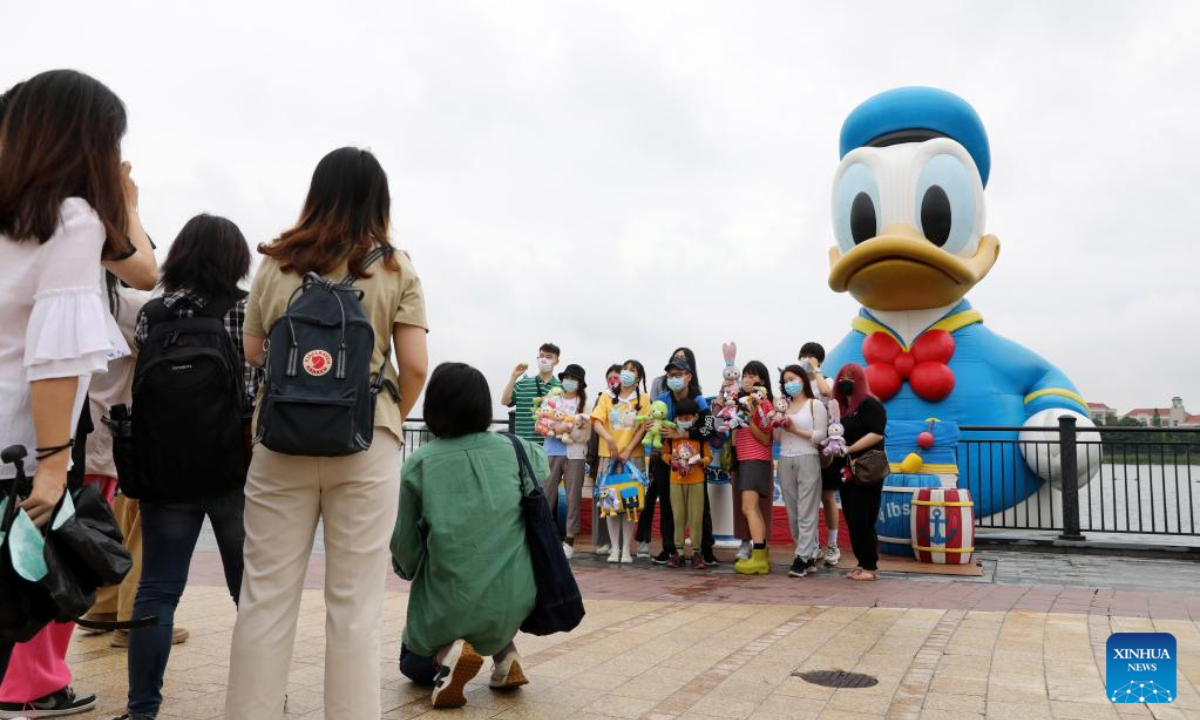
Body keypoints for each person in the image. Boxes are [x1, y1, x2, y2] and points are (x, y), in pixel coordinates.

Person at [225, 147, 429, 720]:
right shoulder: (394, 266)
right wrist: (384, 416)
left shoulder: (276, 262)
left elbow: (254, 350)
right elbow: (415, 365)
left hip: (281, 440)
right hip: (366, 444)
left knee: (264, 598)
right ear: (378, 200)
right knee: (356, 604)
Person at [0, 69, 156, 717]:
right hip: (22, 443)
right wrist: (54, 467)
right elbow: (55, 355)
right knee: (26, 581)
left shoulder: (17, 214)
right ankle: (25, 693)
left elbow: (141, 269)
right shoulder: (72, 217)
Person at [113, 215, 259, 720]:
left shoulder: (153, 313)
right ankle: (259, 698)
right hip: (232, 470)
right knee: (250, 591)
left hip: (166, 470)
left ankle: (142, 709)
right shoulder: (244, 309)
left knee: (157, 587)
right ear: (236, 259)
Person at [391, 363, 538, 709]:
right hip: (517, 598)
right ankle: (506, 656)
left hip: (451, 602)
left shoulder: (421, 463)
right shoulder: (518, 449)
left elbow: (405, 546)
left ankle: (446, 653)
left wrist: (407, 568)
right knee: (489, 586)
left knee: (410, 664)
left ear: (433, 407)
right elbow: (540, 481)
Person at [639, 354, 719, 565]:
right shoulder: (663, 399)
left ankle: (705, 550)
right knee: (666, 504)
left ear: (688, 376)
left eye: (678, 375)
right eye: (670, 375)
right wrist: (647, 425)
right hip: (667, 460)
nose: (673, 378)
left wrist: (684, 435)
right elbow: (652, 421)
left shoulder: (699, 400)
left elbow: (709, 429)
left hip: (695, 464)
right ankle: (670, 550)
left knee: (701, 509)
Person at [831, 363, 888, 581]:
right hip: (846, 471)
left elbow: (877, 433)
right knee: (852, 517)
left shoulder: (869, 404)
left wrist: (850, 449)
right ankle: (861, 562)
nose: (846, 381)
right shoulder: (841, 409)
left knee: (865, 516)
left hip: (867, 469)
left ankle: (870, 566)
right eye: (842, 377)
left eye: (851, 377)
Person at [590, 360, 649, 563]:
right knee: (610, 506)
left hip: (632, 457)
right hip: (609, 457)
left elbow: (643, 427)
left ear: (639, 377)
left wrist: (629, 449)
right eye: (626, 369)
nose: (627, 373)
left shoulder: (644, 399)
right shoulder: (607, 396)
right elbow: (596, 421)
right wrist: (609, 440)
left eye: (632, 370)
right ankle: (614, 549)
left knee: (629, 505)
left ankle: (626, 550)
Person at [775, 364, 828, 578]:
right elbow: (778, 438)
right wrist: (776, 421)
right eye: (785, 381)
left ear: (803, 380)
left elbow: (821, 435)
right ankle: (808, 553)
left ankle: (801, 557)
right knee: (793, 512)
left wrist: (795, 429)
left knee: (807, 509)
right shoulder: (783, 406)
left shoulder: (814, 405)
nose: (789, 384)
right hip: (785, 459)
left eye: (792, 379)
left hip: (808, 457)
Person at [800, 341, 841, 567]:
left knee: (827, 496)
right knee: (809, 499)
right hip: (805, 445)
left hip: (825, 448)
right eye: (803, 356)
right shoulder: (797, 384)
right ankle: (812, 545)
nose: (806, 359)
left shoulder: (825, 380)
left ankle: (833, 545)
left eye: (810, 356)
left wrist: (815, 371)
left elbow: (827, 393)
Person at [541, 363, 589, 558]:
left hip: (574, 454)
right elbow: (542, 420)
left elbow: (585, 434)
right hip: (551, 451)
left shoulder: (584, 404)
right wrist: (554, 425)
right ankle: (544, 535)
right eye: (567, 378)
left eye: (574, 379)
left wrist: (568, 428)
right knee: (546, 495)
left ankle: (569, 539)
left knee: (572, 497)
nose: (569, 382)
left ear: (580, 383)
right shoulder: (552, 400)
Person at [732, 361, 775, 575]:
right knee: (752, 508)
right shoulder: (744, 402)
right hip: (745, 459)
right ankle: (761, 554)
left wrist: (749, 419)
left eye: (753, 376)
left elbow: (766, 438)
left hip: (755, 459)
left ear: (763, 382)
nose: (748, 380)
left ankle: (758, 556)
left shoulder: (764, 404)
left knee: (749, 508)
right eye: (746, 376)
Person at [661, 397, 712, 569]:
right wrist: (671, 459)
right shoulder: (671, 435)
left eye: (687, 418)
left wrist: (700, 461)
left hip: (696, 480)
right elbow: (664, 454)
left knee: (696, 517)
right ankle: (679, 552)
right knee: (678, 517)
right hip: (675, 481)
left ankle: (697, 552)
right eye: (680, 418)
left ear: (695, 417)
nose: (683, 421)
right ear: (675, 418)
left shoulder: (700, 436)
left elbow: (708, 457)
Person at [501, 343, 562, 444]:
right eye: (541, 355)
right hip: (523, 445)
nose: (544, 359)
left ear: (556, 361)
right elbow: (505, 401)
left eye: (549, 357)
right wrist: (514, 376)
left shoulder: (560, 388)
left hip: (548, 447)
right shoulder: (523, 383)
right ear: (537, 358)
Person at [590, 365, 621, 555]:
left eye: (616, 377)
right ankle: (604, 541)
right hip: (603, 456)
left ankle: (619, 543)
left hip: (625, 456)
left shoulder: (632, 399)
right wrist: (591, 458)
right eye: (610, 377)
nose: (613, 381)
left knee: (622, 501)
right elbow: (594, 431)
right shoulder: (601, 398)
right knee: (604, 499)